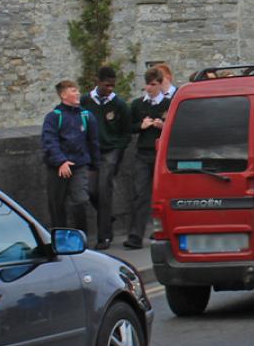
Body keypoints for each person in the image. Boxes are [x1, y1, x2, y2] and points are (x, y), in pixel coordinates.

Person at [41, 79, 101, 234]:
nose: (78, 93)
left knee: (80, 201)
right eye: (73, 90)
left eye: (77, 90)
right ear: (63, 95)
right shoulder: (54, 117)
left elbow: (93, 141)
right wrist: (61, 161)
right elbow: (49, 141)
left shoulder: (86, 116)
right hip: (58, 167)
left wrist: (95, 165)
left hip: (80, 165)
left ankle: (82, 238)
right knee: (57, 204)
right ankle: (59, 238)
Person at [80, 65, 131, 250]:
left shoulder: (119, 105)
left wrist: (118, 149)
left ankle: (104, 236)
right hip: (90, 151)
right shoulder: (85, 101)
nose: (110, 89)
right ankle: (107, 219)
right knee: (91, 191)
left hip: (110, 151)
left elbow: (126, 132)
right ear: (98, 82)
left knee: (104, 190)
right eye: (107, 85)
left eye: (112, 86)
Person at [126, 67, 171, 249]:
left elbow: (175, 126)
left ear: (160, 84)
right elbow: (129, 127)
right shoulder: (138, 104)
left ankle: (162, 231)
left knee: (162, 195)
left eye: (153, 84)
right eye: (147, 84)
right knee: (140, 194)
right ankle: (136, 235)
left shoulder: (169, 103)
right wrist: (141, 125)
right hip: (143, 153)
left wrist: (163, 126)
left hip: (161, 154)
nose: (149, 88)